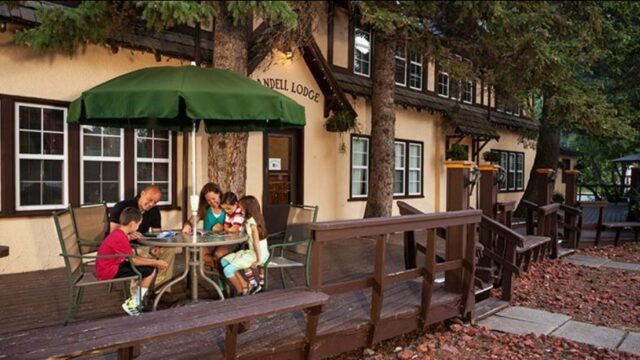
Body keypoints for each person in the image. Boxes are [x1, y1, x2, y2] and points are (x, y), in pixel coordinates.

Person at [97, 207, 168, 315]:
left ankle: (135, 301)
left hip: (108, 266)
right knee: (150, 270)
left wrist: (129, 237)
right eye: (138, 224)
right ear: (132, 224)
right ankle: (133, 303)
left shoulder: (119, 233)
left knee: (149, 267)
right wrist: (156, 262)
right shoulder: (120, 238)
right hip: (109, 271)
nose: (138, 226)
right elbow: (133, 261)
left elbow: (127, 254)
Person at [109, 185, 175, 288]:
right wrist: (129, 236)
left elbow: (157, 233)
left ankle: (161, 289)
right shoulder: (122, 207)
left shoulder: (154, 210)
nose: (151, 204)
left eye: (155, 202)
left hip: (142, 244)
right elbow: (113, 234)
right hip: (124, 247)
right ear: (142, 194)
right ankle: (137, 296)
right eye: (149, 200)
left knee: (169, 249)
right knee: (144, 254)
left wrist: (157, 246)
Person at [220, 195, 270, 295]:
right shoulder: (252, 220)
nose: (240, 211)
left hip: (257, 253)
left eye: (242, 209)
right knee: (223, 260)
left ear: (248, 209)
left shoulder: (253, 224)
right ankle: (253, 285)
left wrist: (259, 260)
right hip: (253, 251)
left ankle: (242, 291)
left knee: (227, 270)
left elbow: (256, 242)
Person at [181, 182, 226, 267]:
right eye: (208, 200)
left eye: (213, 198)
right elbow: (191, 221)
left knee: (219, 254)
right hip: (208, 242)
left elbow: (236, 225)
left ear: (219, 193)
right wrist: (188, 225)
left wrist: (223, 228)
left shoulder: (227, 207)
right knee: (201, 255)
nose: (212, 202)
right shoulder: (205, 209)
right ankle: (220, 270)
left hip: (225, 242)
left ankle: (220, 273)